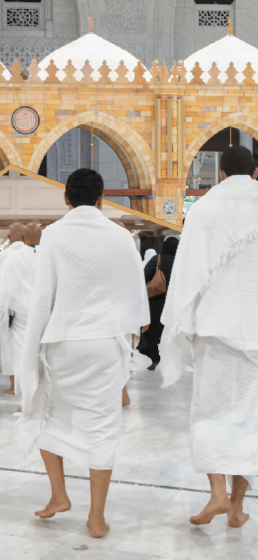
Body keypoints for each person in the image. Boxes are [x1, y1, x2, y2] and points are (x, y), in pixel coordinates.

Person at [159, 146, 258, 527]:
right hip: (256, 331)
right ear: (255, 174)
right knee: (248, 418)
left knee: (211, 412)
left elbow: (190, 271)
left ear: (220, 175)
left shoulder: (206, 208)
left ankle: (217, 493)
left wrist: (179, 320)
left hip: (216, 327)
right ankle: (236, 507)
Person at [16, 169, 149, 538]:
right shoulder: (121, 237)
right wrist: (130, 330)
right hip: (105, 344)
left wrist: (33, 347)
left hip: (64, 342)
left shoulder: (54, 235)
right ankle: (96, 517)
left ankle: (59, 495)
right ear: (102, 198)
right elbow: (135, 295)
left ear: (66, 199)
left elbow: (43, 296)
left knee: (44, 413)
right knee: (102, 428)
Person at [0, 222, 37, 399]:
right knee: (37, 355)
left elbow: (6, 289)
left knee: (17, 353)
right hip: (40, 313)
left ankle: (22, 391)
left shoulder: (9, 256)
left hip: (17, 313)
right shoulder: (40, 255)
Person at [138, 236, 178, 370]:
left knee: (153, 331)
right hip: (175, 302)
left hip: (156, 301)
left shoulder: (157, 259)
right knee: (172, 331)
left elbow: (144, 277)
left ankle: (155, 358)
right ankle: (172, 360)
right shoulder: (183, 263)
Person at [0, 222, 26, 395]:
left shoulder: (5, 255)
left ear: (9, 237)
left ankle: (13, 385)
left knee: (9, 348)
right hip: (31, 309)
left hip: (9, 309)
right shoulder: (35, 254)